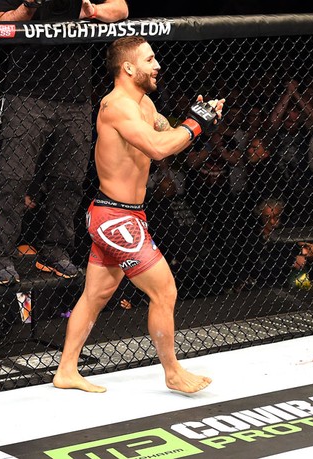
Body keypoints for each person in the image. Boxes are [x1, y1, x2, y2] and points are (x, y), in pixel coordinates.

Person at [52, 36, 224, 394]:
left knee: (96, 295)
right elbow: (161, 149)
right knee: (164, 290)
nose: (157, 65)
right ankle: (172, 372)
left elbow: (167, 132)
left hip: (126, 215)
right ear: (129, 68)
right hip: (117, 219)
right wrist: (195, 125)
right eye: (149, 59)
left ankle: (66, 370)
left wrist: (199, 118)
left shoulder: (142, 104)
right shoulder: (116, 107)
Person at [0, 0, 129, 285]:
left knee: (70, 180)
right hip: (27, 94)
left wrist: (92, 12)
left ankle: (54, 251)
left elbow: (122, 8)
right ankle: (1, 256)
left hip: (75, 97)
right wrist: (29, 5)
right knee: (14, 179)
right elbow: (1, 25)